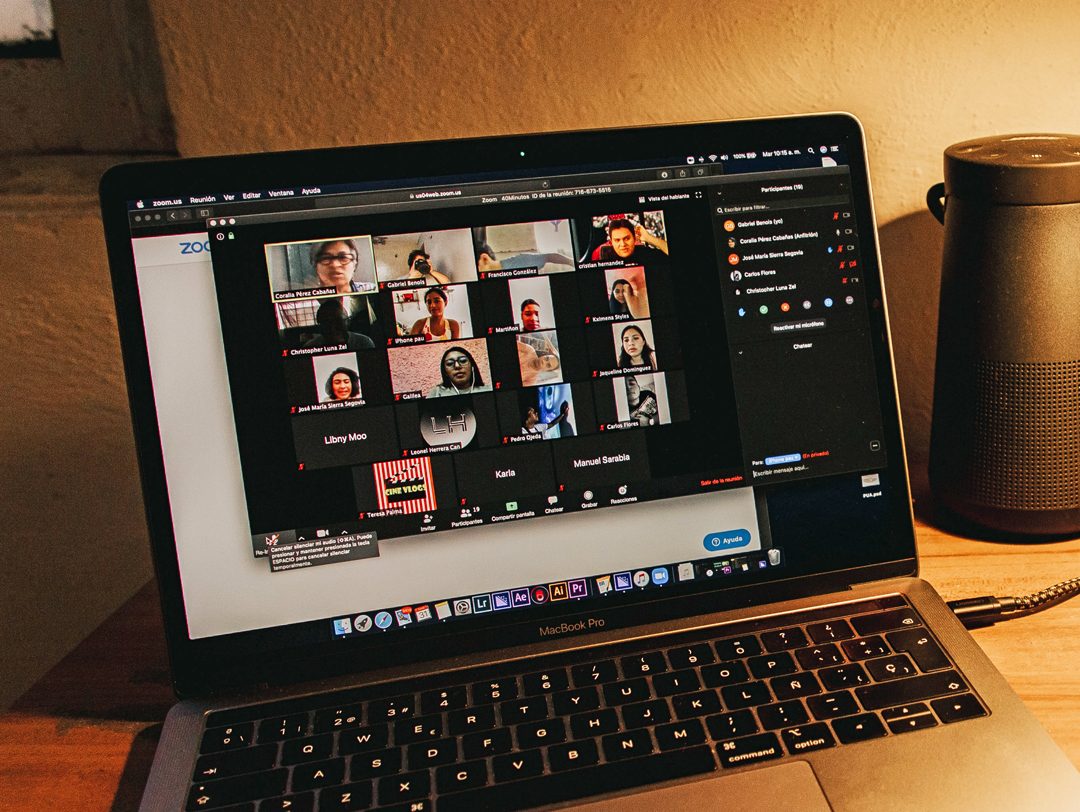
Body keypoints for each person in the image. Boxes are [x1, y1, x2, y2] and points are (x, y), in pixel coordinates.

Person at [591, 218, 669, 267]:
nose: (623, 244)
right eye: (617, 240)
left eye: (627, 238)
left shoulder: (646, 253)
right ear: (611, 242)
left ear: (634, 238)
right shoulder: (602, 256)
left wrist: (648, 238)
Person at [304, 299, 375, 352]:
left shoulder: (364, 343)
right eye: (326, 322)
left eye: (338, 321)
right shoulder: (310, 347)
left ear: (347, 321)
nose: (332, 328)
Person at [310, 239, 375, 293]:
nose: (335, 265)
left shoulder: (372, 289)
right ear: (315, 266)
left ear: (354, 264)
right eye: (326, 258)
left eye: (343, 258)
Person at [475, 239, 573, 273]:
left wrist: (571, 262)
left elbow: (549, 257)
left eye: (476, 265)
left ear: (485, 258)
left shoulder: (520, 262)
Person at [426, 346, 492, 397]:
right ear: (445, 372)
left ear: (472, 366)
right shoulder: (436, 393)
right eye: (450, 363)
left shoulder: (488, 390)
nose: (457, 366)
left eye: (463, 361)